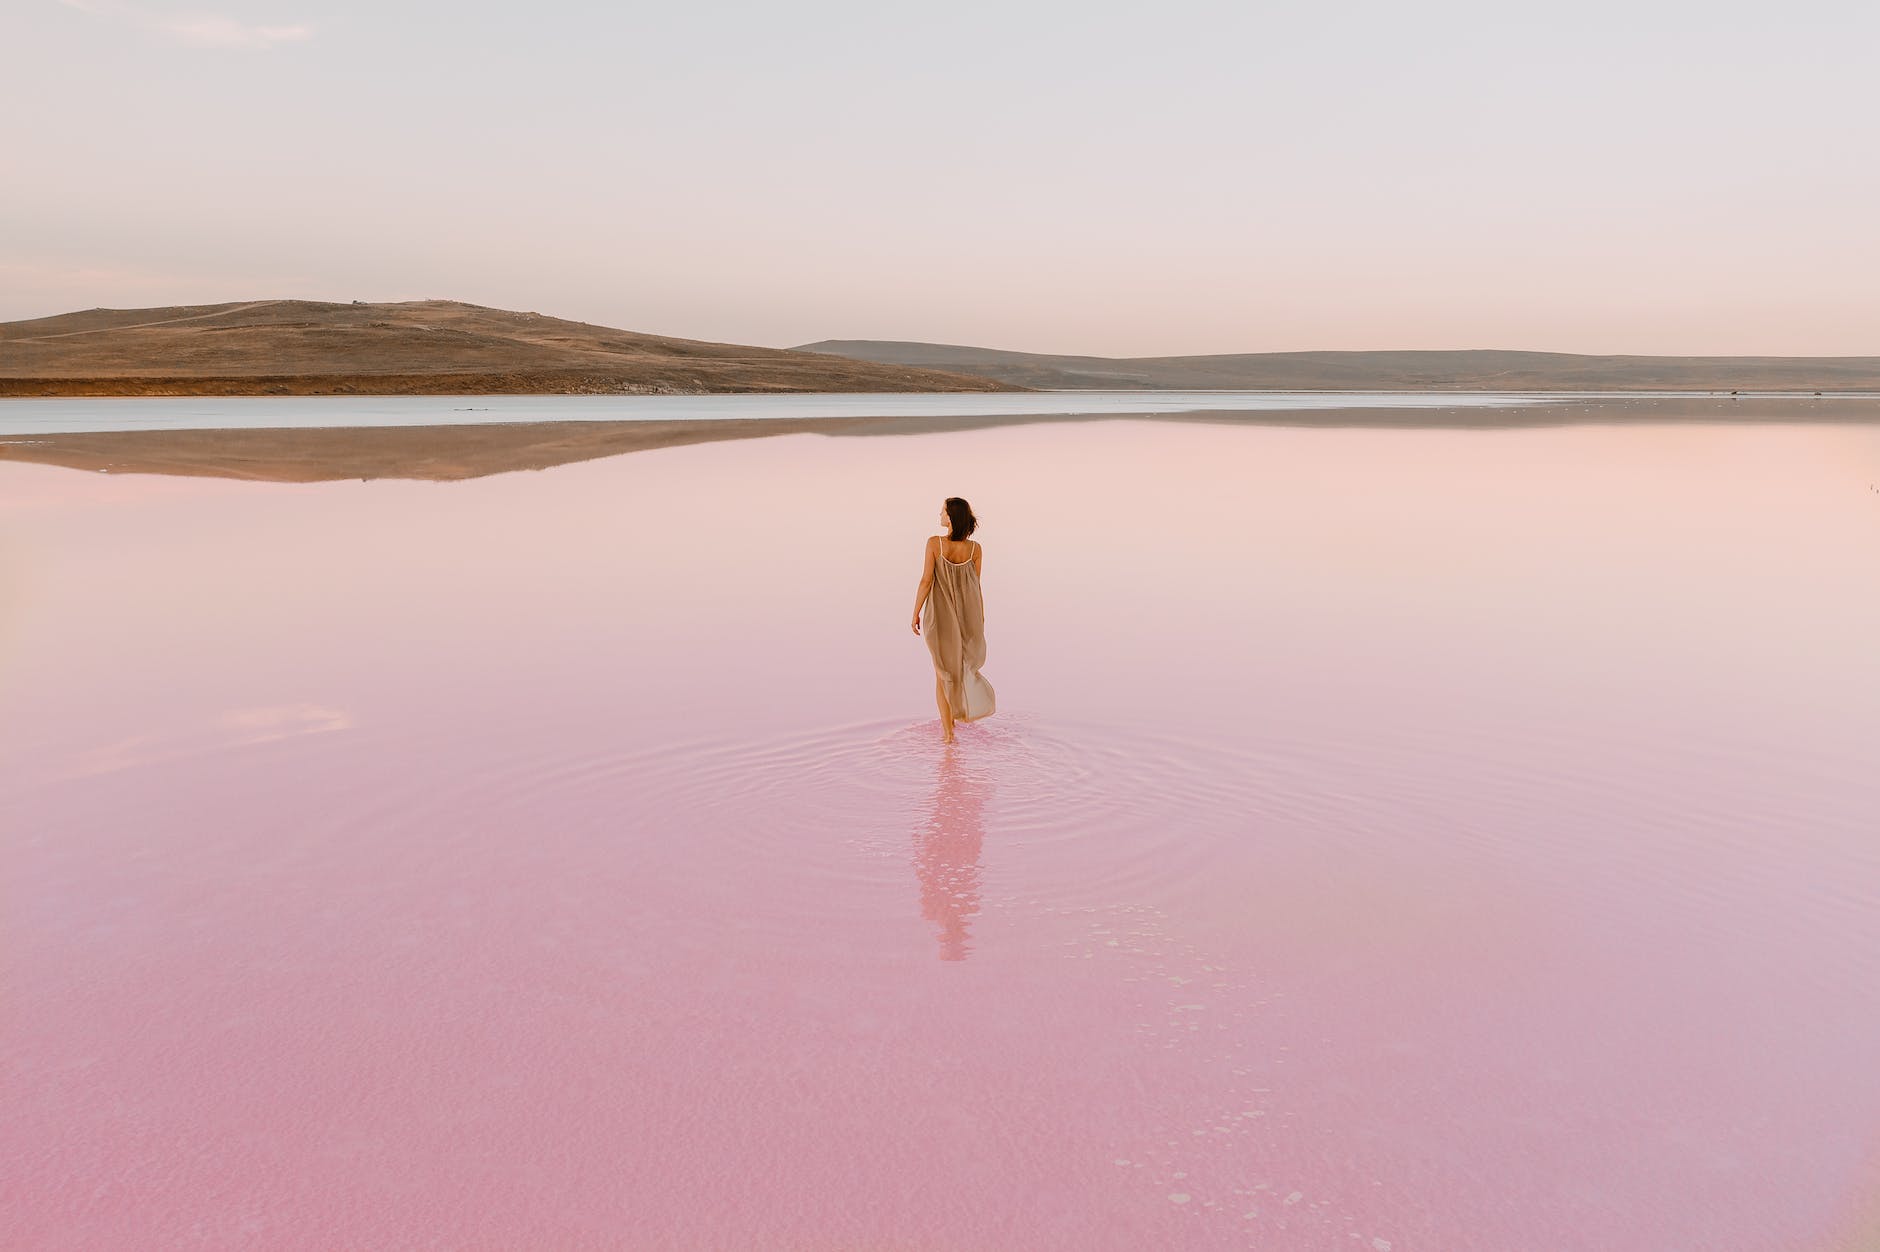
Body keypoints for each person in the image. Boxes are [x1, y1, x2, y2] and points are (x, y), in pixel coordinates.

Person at [910, 497, 996, 743]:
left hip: (939, 618)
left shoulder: (935, 544)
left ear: (951, 517)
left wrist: (915, 611)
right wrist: (979, 619)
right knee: (956, 671)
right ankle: (954, 722)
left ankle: (948, 733)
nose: (939, 515)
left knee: (942, 673)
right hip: (968, 617)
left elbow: (926, 581)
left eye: (942, 511)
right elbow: (974, 587)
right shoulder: (975, 549)